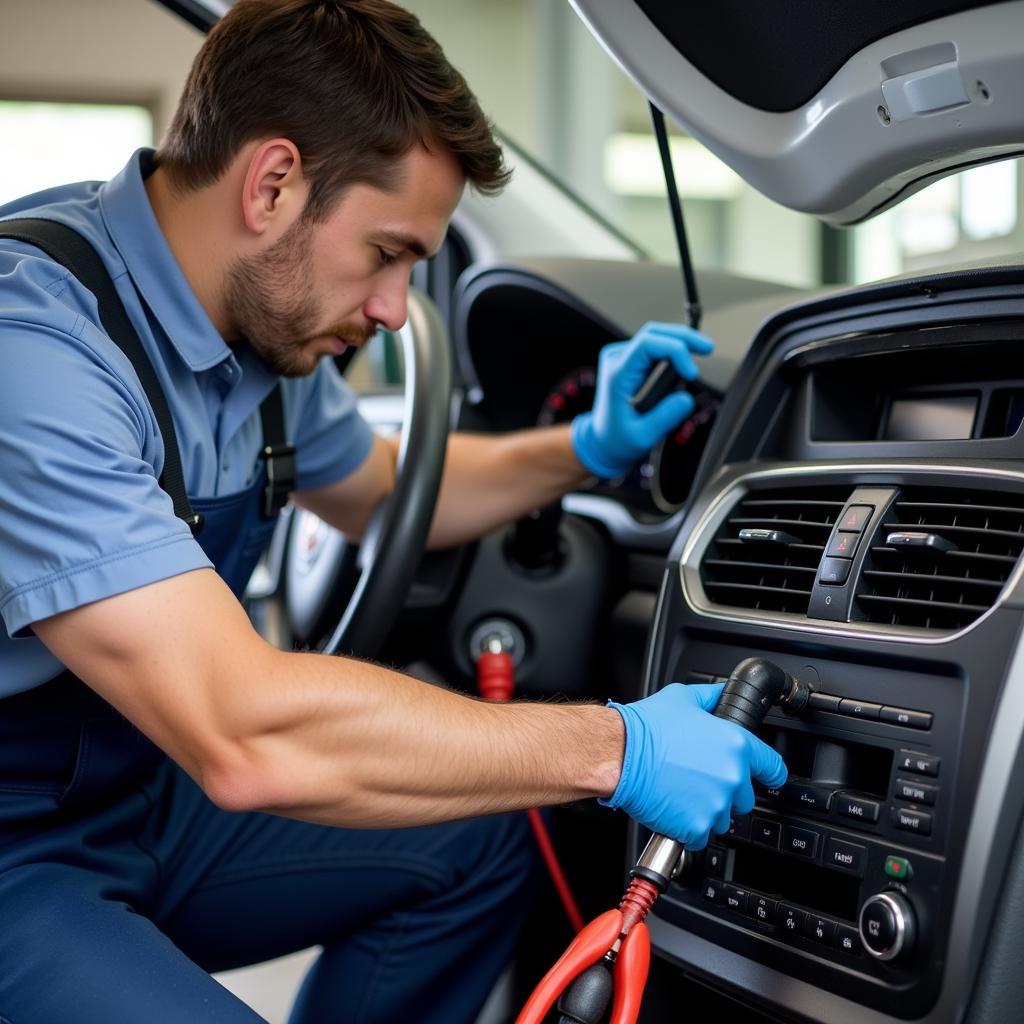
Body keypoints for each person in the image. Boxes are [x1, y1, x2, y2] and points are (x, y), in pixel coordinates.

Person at [0, 1, 788, 1022]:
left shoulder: (254, 318)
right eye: (386, 252)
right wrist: (615, 748)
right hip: (18, 846)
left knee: (480, 838)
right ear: (272, 183)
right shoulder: (37, 353)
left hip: (142, 795)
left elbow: (380, 489)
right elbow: (242, 734)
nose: (390, 306)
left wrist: (584, 450)